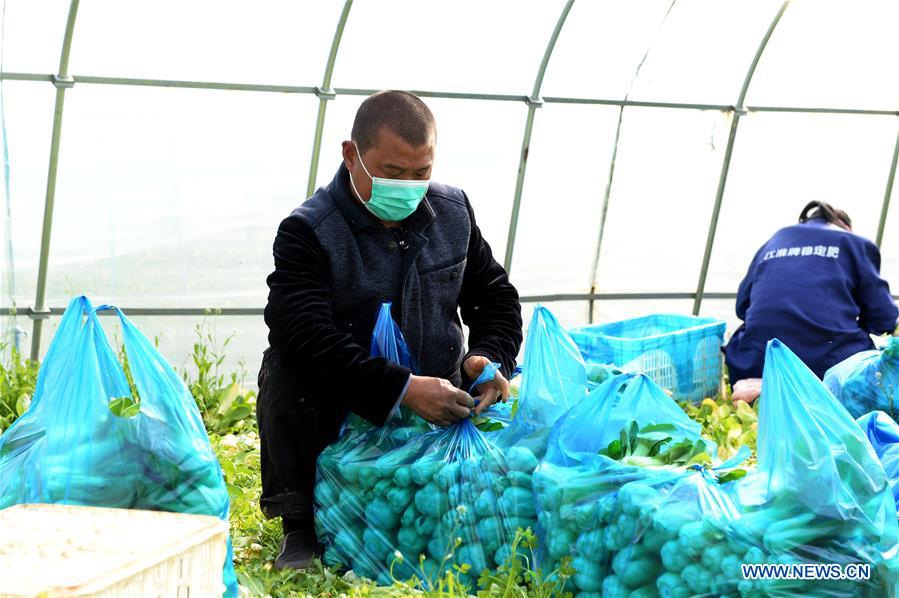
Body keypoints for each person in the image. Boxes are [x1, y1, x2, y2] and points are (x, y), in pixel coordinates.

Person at [256, 91, 523, 569]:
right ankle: (301, 524)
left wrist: (485, 355)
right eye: (393, 172)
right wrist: (401, 388)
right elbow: (303, 331)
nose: (408, 186)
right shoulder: (309, 230)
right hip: (345, 399)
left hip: (439, 394)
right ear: (351, 154)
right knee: (287, 367)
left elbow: (495, 296)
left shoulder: (453, 212)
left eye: (421, 173)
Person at [726, 200, 898, 401]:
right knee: (874, 356)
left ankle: (768, 387)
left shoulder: (775, 241)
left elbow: (742, 307)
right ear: (845, 226)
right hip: (828, 367)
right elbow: (884, 319)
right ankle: (808, 388)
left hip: (756, 362)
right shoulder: (854, 243)